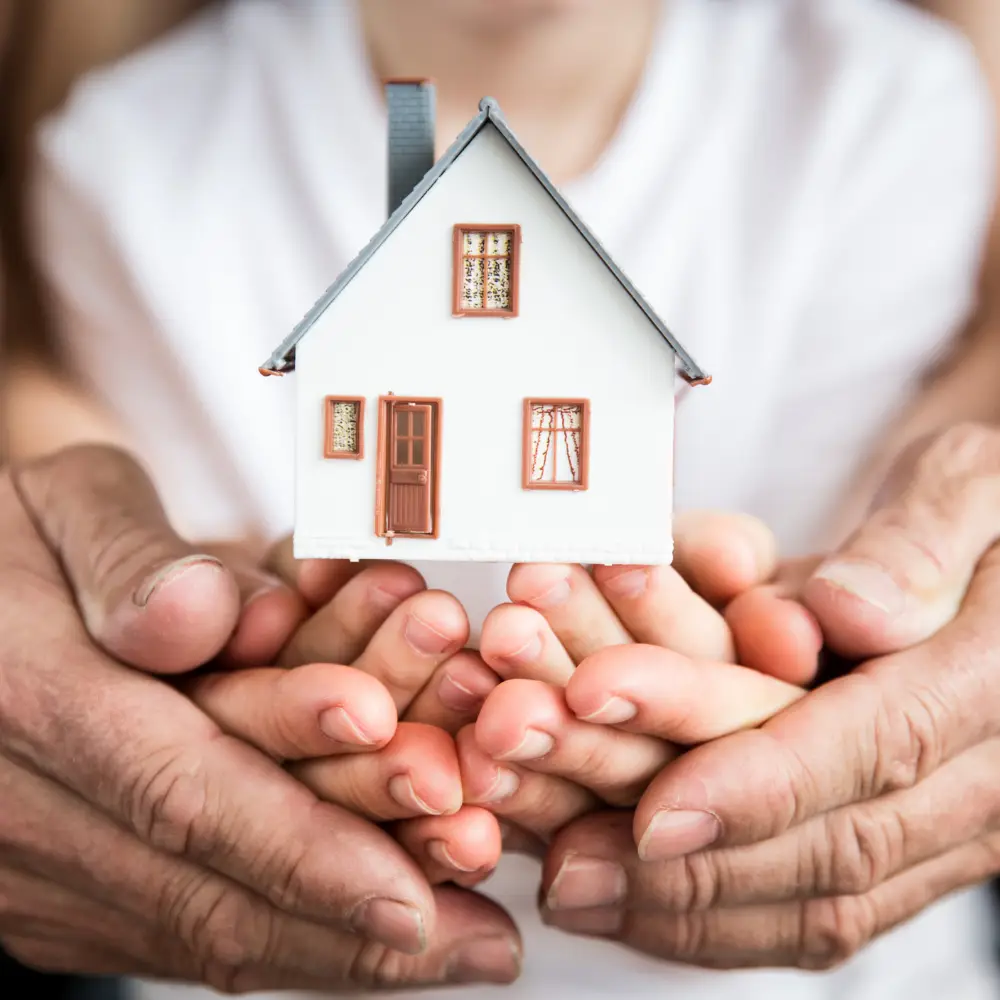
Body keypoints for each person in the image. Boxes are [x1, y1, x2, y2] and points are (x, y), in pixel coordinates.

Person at [3, 0, 1000, 997]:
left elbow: (829, 602)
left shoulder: (878, 105)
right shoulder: (131, 153)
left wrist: (808, 639)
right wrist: (217, 661)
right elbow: (196, 625)